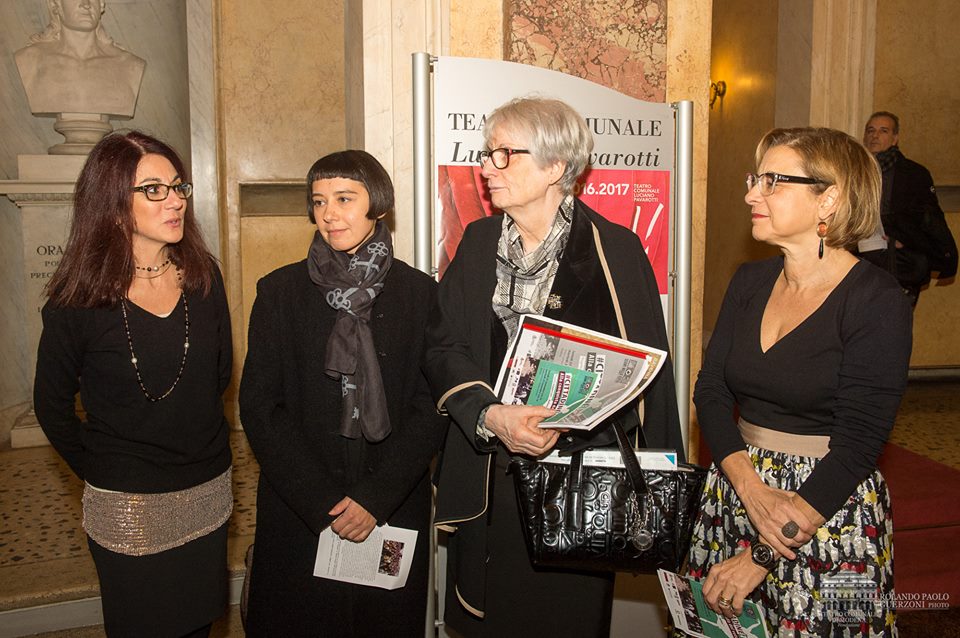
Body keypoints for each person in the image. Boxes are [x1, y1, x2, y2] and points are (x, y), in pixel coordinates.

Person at [424, 97, 683, 637]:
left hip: (576, 493)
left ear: (555, 168)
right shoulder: (475, 244)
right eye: (486, 153)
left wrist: (659, 493)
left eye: (504, 155)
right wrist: (491, 415)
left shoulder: (616, 249)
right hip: (490, 474)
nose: (486, 168)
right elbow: (443, 346)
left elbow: (650, 381)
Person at [688, 127, 912, 636]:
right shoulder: (749, 281)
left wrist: (764, 551)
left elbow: (857, 447)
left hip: (825, 510)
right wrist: (748, 487)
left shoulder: (876, 301)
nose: (751, 193)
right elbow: (712, 392)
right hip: (736, 491)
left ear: (828, 198)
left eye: (772, 181)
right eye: (755, 179)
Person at [239, 150, 448, 636]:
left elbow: (431, 404)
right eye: (318, 201)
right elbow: (260, 407)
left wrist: (376, 497)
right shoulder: (280, 292)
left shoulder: (421, 295)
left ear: (377, 203)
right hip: (303, 509)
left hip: (390, 506)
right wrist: (322, 502)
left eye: (344, 198)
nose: (329, 214)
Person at [34, 131, 233, 637]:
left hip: (207, 491)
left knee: (199, 627)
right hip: (129, 506)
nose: (176, 201)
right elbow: (52, 408)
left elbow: (219, 376)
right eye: (153, 190)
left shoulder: (203, 276)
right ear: (113, 205)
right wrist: (107, 469)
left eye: (178, 186)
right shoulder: (78, 299)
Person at [858, 111, 957, 304]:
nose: (875, 136)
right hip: (860, 255)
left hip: (897, 260)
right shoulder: (854, 171)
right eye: (870, 130)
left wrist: (903, 240)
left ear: (895, 139)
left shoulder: (913, 174)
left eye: (883, 131)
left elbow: (928, 219)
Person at [15, 0, 146, 118]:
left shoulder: (128, 65)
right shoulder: (30, 59)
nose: (86, 4)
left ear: (101, 4)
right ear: (56, 5)